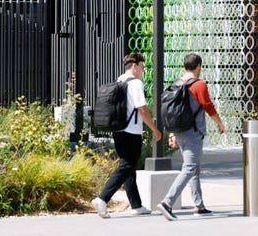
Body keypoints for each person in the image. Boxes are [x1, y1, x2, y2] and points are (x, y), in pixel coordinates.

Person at [92, 52, 162, 218]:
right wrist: (154, 129)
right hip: (131, 131)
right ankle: (103, 198)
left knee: (129, 166)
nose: (143, 71)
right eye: (142, 67)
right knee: (127, 166)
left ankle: (136, 204)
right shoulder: (136, 83)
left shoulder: (120, 80)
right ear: (135, 65)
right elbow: (142, 109)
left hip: (118, 129)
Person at [158, 53, 226, 221]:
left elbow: (175, 111)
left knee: (194, 168)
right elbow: (208, 106)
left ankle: (199, 205)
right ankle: (167, 202)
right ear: (198, 66)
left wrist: (172, 132)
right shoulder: (199, 84)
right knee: (189, 168)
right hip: (193, 132)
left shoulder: (177, 83)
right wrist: (220, 123)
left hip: (180, 131)